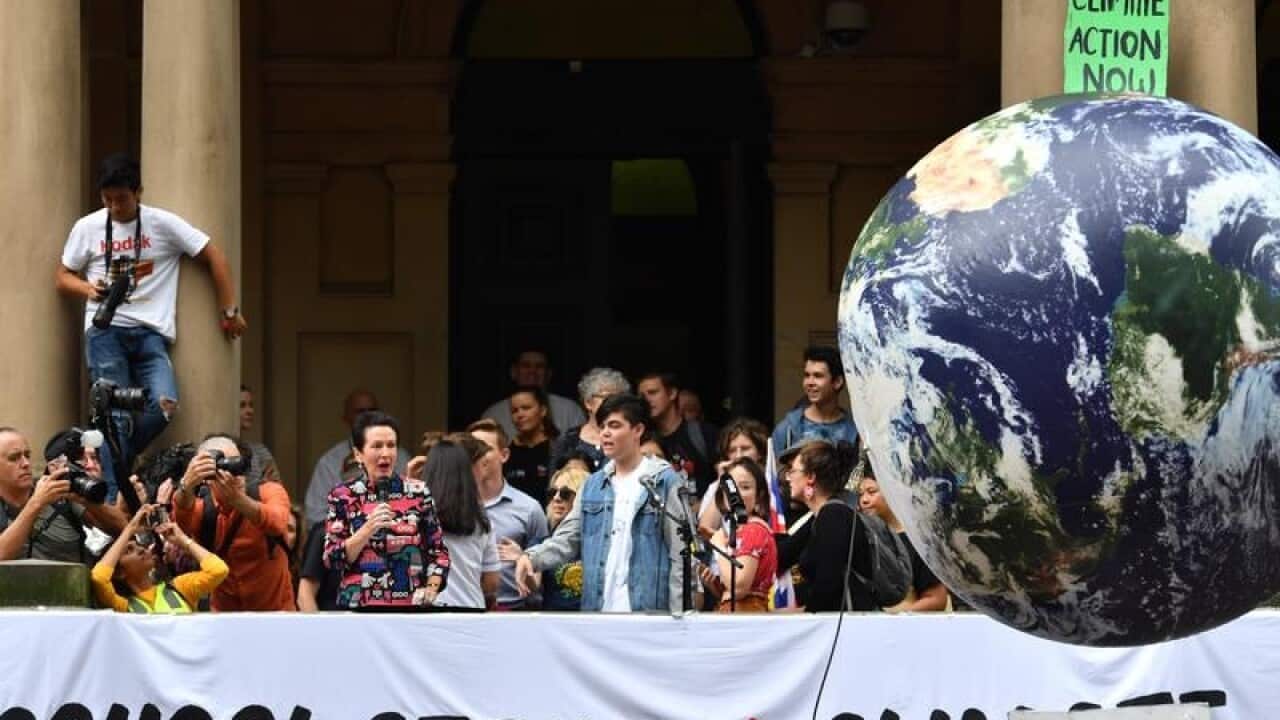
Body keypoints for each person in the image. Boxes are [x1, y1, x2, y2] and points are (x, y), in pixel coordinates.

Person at [55, 154, 245, 493]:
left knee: (164, 404)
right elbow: (62, 277)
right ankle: (111, 497)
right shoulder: (88, 227)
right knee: (114, 415)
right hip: (105, 332)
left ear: (138, 192)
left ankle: (105, 458)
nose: (114, 206)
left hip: (150, 334)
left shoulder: (161, 224)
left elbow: (213, 255)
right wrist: (89, 289)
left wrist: (229, 311)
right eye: (107, 199)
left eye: (122, 198)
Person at [511, 394, 687, 613]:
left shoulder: (665, 481)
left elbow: (683, 554)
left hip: (649, 615)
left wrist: (679, 615)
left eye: (614, 425)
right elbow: (568, 538)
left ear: (638, 430)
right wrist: (532, 557)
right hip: (598, 613)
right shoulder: (593, 484)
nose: (605, 433)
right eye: (602, 426)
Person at [324, 411, 450, 609]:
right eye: (376, 446)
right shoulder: (342, 496)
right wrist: (367, 529)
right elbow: (332, 559)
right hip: (357, 609)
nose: (385, 453)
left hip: (409, 607)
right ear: (358, 454)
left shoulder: (418, 492)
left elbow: (438, 553)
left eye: (391, 445)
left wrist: (431, 589)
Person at [173, 434, 296, 611]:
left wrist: (238, 500)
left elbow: (276, 523)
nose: (235, 473)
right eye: (224, 465)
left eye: (237, 463)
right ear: (208, 476)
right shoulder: (205, 510)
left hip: (275, 615)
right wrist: (187, 485)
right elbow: (182, 523)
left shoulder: (268, 492)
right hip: (226, 619)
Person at [0, 428, 128, 563]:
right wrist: (36, 503)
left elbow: (123, 529)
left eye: (27, 455)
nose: (25, 464)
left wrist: (86, 501)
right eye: (14, 458)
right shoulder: (41, 496)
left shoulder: (56, 492)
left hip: (73, 582)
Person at [776, 439, 873, 612]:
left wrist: (804, 615)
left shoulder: (833, 516)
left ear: (811, 477)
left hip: (845, 630)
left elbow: (828, 584)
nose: (787, 477)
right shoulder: (823, 516)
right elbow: (785, 552)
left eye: (793, 471)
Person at [467, 419, 549, 610]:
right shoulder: (451, 506)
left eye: (483, 448)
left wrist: (523, 559)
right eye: (471, 449)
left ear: (504, 455)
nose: (476, 455)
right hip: (464, 610)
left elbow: (538, 587)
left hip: (514, 612)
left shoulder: (529, 509)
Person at [91, 503, 228, 613]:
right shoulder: (122, 607)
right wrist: (130, 528)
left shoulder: (180, 588)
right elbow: (99, 577)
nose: (140, 549)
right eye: (128, 550)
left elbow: (218, 570)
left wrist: (182, 539)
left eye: (139, 545)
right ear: (119, 573)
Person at [303, 389, 410, 526]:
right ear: (345, 418)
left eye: (372, 410)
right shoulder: (329, 463)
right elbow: (314, 516)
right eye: (360, 411)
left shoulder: (400, 457)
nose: (367, 416)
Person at [498, 465, 590, 611]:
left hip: (590, 618)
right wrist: (522, 559)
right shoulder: (542, 543)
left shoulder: (596, 542)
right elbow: (534, 586)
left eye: (565, 494)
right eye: (552, 492)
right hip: (553, 621)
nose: (557, 498)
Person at [857, 471, 950, 612]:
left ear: (891, 492)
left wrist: (899, 619)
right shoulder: (865, 540)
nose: (864, 500)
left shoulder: (918, 541)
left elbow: (936, 598)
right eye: (861, 494)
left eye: (871, 492)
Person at [427, 438, 500, 610]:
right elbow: (492, 582)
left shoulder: (414, 516)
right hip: (470, 609)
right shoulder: (481, 520)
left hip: (426, 608)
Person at [699, 459, 777, 613]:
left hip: (746, 621)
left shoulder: (753, 530)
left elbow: (739, 588)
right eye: (731, 487)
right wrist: (715, 585)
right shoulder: (742, 530)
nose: (737, 493)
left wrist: (720, 547)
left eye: (745, 487)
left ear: (759, 496)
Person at [636, 372, 719, 498]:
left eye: (653, 392)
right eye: (642, 396)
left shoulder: (702, 433)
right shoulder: (641, 438)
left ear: (672, 393)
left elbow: (724, 477)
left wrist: (703, 505)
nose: (647, 400)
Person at [481, 349, 586, 441]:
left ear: (548, 374)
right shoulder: (493, 414)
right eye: (525, 365)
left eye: (539, 366)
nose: (532, 371)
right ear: (513, 372)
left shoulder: (570, 410)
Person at [771, 347, 859, 453]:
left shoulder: (855, 430)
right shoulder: (787, 430)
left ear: (837, 382)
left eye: (818, 376)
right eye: (807, 375)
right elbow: (776, 468)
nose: (810, 382)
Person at [550, 367, 632, 473]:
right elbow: (553, 481)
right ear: (588, 403)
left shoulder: (629, 436)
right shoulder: (568, 440)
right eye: (607, 397)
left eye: (618, 398)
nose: (614, 402)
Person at [697, 418, 770, 536]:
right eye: (732, 450)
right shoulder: (717, 485)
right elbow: (705, 529)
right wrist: (723, 483)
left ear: (760, 452)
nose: (738, 455)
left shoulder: (772, 482)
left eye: (745, 448)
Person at [504, 386, 559, 500]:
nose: (520, 415)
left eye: (526, 408)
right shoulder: (505, 454)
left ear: (543, 411)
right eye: (514, 410)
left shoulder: (559, 450)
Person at [239, 384, 280, 486]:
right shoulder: (221, 451)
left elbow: (277, 490)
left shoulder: (260, 451)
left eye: (251, 405)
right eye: (242, 405)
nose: (250, 411)